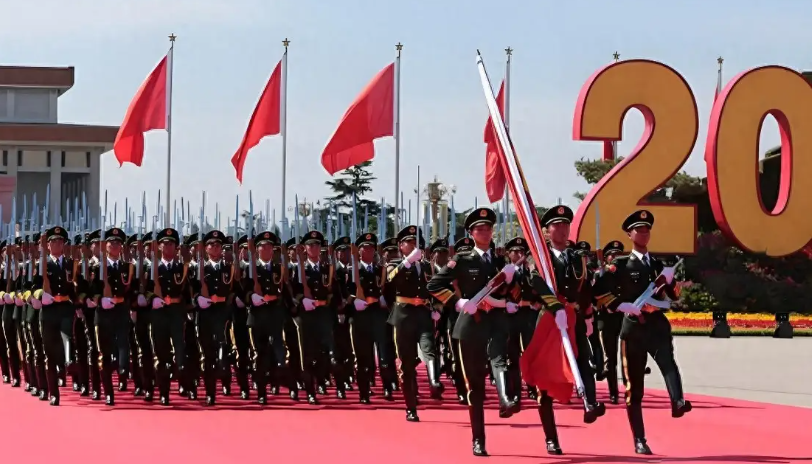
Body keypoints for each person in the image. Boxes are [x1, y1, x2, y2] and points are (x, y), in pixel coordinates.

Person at [427, 208, 519, 457]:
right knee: (474, 384)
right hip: (470, 325)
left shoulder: (501, 262)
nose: (485, 232)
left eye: (488, 228)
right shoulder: (463, 260)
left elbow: (516, 292)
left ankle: (504, 399)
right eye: (480, 229)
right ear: (471, 233)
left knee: (500, 359)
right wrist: (457, 303)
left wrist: (513, 280)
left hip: (496, 321)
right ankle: (478, 439)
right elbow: (434, 285)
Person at [599, 210, 691, 455]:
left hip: (657, 324)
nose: (643, 233)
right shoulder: (618, 265)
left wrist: (671, 282)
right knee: (633, 388)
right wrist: (620, 305)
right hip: (632, 328)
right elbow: (599, 291)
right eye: (638, 230)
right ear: (629, 234)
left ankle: (678, 401)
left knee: (669, 363)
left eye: (646, 229)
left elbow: (673, 297)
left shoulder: (659, 264)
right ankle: (639, 438)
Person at [540, 205, 605, 423]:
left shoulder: (577, 257)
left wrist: (587, 315)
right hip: (549, 319)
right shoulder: (541, 258)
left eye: (565, 225)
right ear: (547, 231)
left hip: (573, 317)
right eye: (556, 225)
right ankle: (549, 426)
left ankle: (590, 403)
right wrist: (554, 306)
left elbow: (585, 287)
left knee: (583, 359)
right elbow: (534, 284)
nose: (562, 229)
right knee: (547, 368)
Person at [387, 225, 444, 422]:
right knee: (407, 363)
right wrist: (407, 263)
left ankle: (434, 381)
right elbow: (390, 279)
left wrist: (436, 307)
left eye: (415, 243)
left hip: (423, 314)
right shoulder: (394, 263)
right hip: (403, 316)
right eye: (408, 243)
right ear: (401, 246)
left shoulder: (427, 265)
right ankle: (410, 407)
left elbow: (435, 287)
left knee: (429, 349)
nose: (412, 246)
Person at [239, 230, 289, 405]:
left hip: (275, 316)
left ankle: (274, 382)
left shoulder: (279, 269)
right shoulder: (249, 268)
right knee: (259, 356)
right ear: (257, 249)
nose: (266, 250)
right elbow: (243, 290)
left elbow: (285, 292)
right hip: (257, 317)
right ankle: (261, 392)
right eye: (263, 246)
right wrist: (251, 297)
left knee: (276, 353)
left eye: (269, 247)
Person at [191, 229, 236, 406]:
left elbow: (234, 291)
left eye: (218, 245)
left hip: (223, 316)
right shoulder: (199, 269)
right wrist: (198, 299)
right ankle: (210, 393)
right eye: (211, 245)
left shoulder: (229, 269)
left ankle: (226, 381)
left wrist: (227, 302)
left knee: (223, 355)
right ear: (206, 248)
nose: (215, 248)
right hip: (205, 317)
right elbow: (191, 290)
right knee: (208, 356)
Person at [32, 226, 76, 406]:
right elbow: (33, 287)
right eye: (53, 241)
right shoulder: (41, 265)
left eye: (60, 241)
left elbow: (76, 287)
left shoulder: (71, 264)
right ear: (48, 245)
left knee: (67, 336)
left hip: (65, 307)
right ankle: (53, 393)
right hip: (48, 310)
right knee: (49, 353)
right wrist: (41, 295)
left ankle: (66, 360)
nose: (57, 244)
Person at [91, 227, 134, 406]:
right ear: (105, 246)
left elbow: (132, 290)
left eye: (118, 243)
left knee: (124, 344)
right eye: (111, 242)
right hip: (103, 315)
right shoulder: (97, 267)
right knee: (104, 354)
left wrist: (131, 302)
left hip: (121, 312)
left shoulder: (128, 267)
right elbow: (91, 291)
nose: (115, 245)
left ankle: (123, 370)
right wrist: (100, 300)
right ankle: (108, 392)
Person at [147, 227, 190, 406]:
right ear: (159, 246)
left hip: (176, 314)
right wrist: (151, 300)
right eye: (165, 243)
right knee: (161, 354)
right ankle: (164, 393)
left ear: (177, 247)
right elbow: (144, 289)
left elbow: (188, 292)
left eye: (172, 244)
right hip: (159, 315)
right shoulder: (151, 268)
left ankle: (183, 381)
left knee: (180, 352)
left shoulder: (183, 268)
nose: (168, 247)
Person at [592, 240, 625, 404]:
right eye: (612, 255)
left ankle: (629, 386)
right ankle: (613, 392)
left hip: (624, 317)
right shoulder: (599, 274)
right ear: (605, 258)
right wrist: (608, 304)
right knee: (610, 357)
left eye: (618, 254)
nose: (615, 257)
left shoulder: (625, 273)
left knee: (627, 355)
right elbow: (594, 297)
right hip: (606, 318)